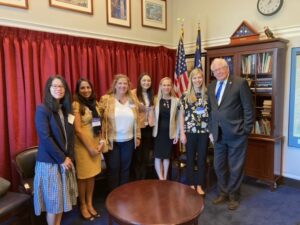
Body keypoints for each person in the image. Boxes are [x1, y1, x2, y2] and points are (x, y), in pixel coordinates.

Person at [208, 58, 254, 210]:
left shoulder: (239, 83)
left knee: (235, 167)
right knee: (218, 166)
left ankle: (234, 196)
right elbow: (211, 110)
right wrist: (211, 129)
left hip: (237, 134)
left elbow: (248, 108)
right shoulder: (211, 85)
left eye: (221, 68)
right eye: (215, 70)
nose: (218, 72)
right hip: (218, 134)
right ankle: (223, 193)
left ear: (227, 68)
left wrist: (246, 130)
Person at [34, 75, 78, 225]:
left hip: (65, 162)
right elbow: (45, 138)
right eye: (55, 86)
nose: (58, 89)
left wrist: (70, 157)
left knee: (60, 204)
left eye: (61, 86)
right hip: (51, 164)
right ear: (49, 89)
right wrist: (62, 159)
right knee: (54, 205)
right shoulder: (43, 109)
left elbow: (71, 137)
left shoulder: (66, 110)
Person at [99, 74, 141, 191]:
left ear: (128, 86)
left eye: (125, 84)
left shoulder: (133, 99)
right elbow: (98, 118)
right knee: (114, 168)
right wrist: (101, 138)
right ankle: (113, 195)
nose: (123, 86)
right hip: (113, 141)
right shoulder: (106, 99)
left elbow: (137, 119)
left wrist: (137, 137)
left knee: (125, 168)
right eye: (120, 83)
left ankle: (123, 193)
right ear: (115, 85)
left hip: (129, 140)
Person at [73, 78, 105, 221]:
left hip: (96, 145)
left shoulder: (95, 104)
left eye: (88, 87)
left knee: (92, 176)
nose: (86, 90)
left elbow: (100, 124)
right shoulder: (76, 105)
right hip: (83, 147)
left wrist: (101, 142)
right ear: (78, 90)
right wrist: (90, 148)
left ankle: (90, 203)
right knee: (83, 177)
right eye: (82, 88)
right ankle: (83, 205)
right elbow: (78, 130)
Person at [179, 68, 209, 196]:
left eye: (200, 77)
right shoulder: (185, 96)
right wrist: (182, 133)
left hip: (204, 132)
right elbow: (181, 115)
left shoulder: (207, 94)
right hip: (190, 132)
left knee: (201, 159)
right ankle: (191, 184)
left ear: (203, 79)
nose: (197, 80)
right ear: (191, 79)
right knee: (190, 159)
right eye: (195, 78)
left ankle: (200, 185)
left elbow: (211, 114)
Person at [153, 77, 179, 180]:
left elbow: (178, 119)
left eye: (168, 85)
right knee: (158, 156)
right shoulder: (155, 100)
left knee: (167, 156)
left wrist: (177, 134)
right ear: (160, 86)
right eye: (164, 85)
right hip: (158, 133)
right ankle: (161, 178)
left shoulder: (176, 101)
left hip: (170, 133)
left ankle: (165, 177)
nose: (166, 87)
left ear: (171, 87)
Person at [131, 73, 155, 180]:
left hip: (149, 128)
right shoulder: (133, 93)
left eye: (148, 81)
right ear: (140, 82)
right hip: (137, 128)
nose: (146, 83)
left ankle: (143, 179)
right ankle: (137, 179)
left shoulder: (152, 95)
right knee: (137, 156)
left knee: (145, 156)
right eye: (144, 80)